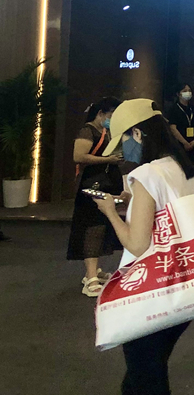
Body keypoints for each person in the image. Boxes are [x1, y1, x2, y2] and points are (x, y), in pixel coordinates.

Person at [84, 99, 194, 395]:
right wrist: (134, 201)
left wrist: (111, 211)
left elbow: (137, 245)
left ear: (138, 133)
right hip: (184, 292)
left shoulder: (148, 175)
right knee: (139, 381)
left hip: (148, 296)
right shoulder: (188, 171)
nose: (124, 149)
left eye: (125, 139)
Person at [69, 97, 123, 297]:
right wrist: (107, 159)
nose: (113, 119)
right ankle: (90, 277)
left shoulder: (107, 132)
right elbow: (78, 156)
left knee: (101, 227)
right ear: (101, 113)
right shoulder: (88, 131)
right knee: (91, 227)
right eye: (111, 115)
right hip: (91, 186)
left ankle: (94, 271)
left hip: (107, 184)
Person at [165, 84, 194, 164]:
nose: (188, 92)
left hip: (192, 142)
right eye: (184, 91)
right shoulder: (174, 109)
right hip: (180, 144)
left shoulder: (192, 108)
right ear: (178, 94)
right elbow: (173, 128)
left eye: (189, 90)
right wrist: (185, 143)